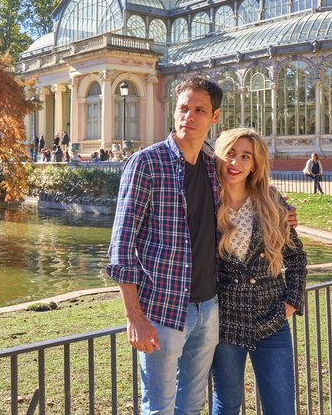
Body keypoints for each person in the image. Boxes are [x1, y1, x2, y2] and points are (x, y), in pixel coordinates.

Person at [107, 77, 224, 414]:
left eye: (199, 110)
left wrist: (283, 211)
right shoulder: (146, 164)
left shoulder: (213, 166)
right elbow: (121, 247)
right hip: (162, 309)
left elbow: (252, 195)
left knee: (192, 404)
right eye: (183, 108)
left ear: (214, 117)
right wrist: (134, 317)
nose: (188, 116)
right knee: (159, 406)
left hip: (208, 307)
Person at [210, 128, 307, 415]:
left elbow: (297, 259)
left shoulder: (271, 203)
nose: (235, 162)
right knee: (226, 404)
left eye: (245, 156)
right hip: (227, 323)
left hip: (273, 320)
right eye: (230, 153)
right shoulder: (208, 202)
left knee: (281, 406)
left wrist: (290, 305)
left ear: (255, 164)